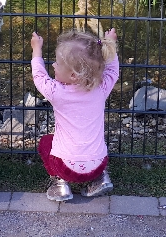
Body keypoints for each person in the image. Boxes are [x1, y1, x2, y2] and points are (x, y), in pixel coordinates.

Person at [30, 28, 119, 202]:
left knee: (46, 142)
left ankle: (60, 184)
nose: (53, 66)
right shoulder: (101, 89)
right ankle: (99, 179)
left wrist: (37, 49)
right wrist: (111, 45)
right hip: (98, 164)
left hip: (65, 167)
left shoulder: (57, 92)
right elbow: (113, 71)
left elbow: (39, 75)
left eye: (57, 63)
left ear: (73, 75)